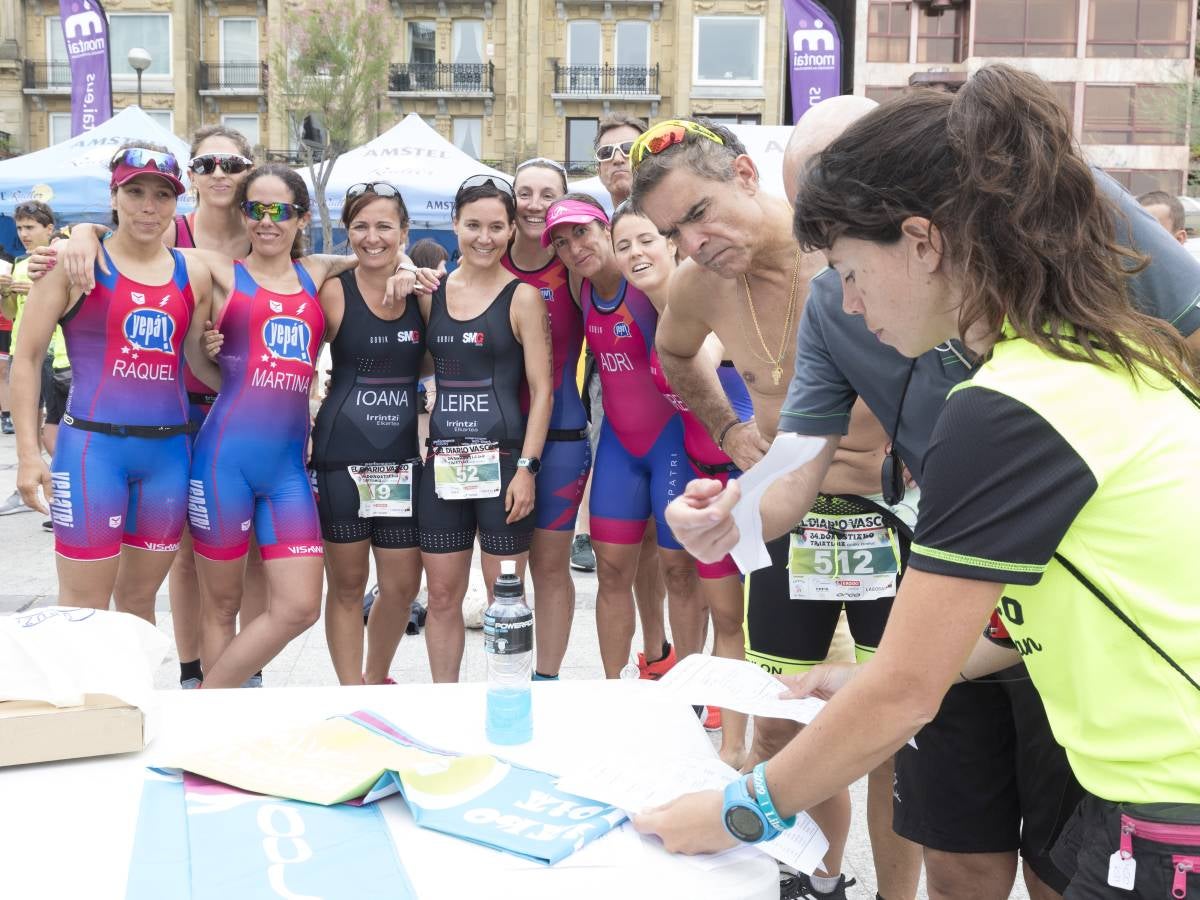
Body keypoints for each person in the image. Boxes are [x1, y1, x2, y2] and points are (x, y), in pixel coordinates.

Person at [644, 66, 1200, 900]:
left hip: (1167, 809)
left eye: (849, 271)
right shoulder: (1099, 351)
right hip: (1148, 796)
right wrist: (867, 673)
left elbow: (903, 698)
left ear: (923, 240)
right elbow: (1053, 603)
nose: (846, 303)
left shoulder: (1008, 404)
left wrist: (736, 813)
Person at [631, 114, 916, 900]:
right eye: (670, 231)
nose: (691, 242)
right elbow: (673, 353)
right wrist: (727, 425)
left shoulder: (848, 257)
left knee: (894, 737)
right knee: (779, 721)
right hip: (792, 521)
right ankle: (818, 878)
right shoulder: (699, 286)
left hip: (894, 519)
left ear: (747, 179)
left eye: (698, 213)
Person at [184, 164, 371, 689]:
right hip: (224, 459)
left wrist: (404, 262)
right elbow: (138, 248)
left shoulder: (314, 272)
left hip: (288, 468)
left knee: (299, 605)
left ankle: (208, 700)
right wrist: (81, 235)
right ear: (242, 214)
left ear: (300, 217)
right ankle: (227, 721)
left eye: (280, 211)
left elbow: (369, 250)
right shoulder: (220, 270)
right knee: (221, 605)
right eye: (256, 210)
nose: (267, 222)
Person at [12, 143, 217, 620]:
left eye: (162, 195)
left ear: (177, 203)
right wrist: (27, 456)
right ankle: (83, 698)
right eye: (136, 191)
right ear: (114, 194)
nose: (149, 206)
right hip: (91, 453)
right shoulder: (73, 263)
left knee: (138, 603)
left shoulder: (195, 272)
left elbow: (197, 365)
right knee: (82, 608)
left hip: (168, 456)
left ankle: (132, 697)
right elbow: (26, 359)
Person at [544, 193, 706, 681]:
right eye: (564, 241)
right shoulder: (581, 285)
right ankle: (614, 689)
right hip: (619, 446)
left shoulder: (652, 284)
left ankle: (692, 689)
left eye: (585, 233)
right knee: (612, 570)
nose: (575, 248)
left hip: (673, 443)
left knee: (680, 572)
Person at [611, 200, 746, 756]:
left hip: (743, 475)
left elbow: (713, 354)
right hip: (704, 475)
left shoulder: (706, 299)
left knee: (736, 621)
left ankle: (739, 748)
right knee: (723, 614)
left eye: (645, 240)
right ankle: (721, 742)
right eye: (623, 246)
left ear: (671, 242)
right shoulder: (655, 310)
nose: (635, 253)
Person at [417, 174, 552, 683]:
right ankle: (445, 702)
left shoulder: (523, 298)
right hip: (444, 467)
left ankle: (508, 697)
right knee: (444, 596)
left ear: (513, 230)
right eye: (473, 225)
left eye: (497, 226)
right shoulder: (432, 294)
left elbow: (542, 391)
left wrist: (527, 469)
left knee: (505, 600)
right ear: (455, 225)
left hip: (502, 467)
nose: (484, 237)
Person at [310, 182, 425, 686]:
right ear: (346, 233)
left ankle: (376, 677)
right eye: (360, 226)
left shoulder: (422, 292)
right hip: (341, 456)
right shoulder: (333, 290)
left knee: (401, 585)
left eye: (384, 226)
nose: (372, 237)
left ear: (404, 231)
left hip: (400, 461)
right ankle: (349, 688)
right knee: (348, 585)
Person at [501, 157, 589, 681]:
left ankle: (548, 681)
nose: (534, 204)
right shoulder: (485, 259)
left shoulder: (574, 271)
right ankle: (503, 677)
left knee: (550, 567)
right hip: (493, 438)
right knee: (499, 572)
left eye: (546, 194)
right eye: (525, 193)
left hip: (560, 438)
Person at [0, 202, 69, 519]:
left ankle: (64, 489)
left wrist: (34, 287)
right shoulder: (17, 263)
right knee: (28, 422)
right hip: (20, 349)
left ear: (49, 228)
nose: (24, 234)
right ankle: (30, 485)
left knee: (53, 429)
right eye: (20, 228)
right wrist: (6, 296)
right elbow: (13, 316)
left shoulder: (63, 259)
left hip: (55, 352)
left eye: (30, 227)